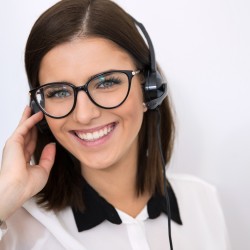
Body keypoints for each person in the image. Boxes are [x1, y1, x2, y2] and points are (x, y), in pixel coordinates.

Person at [0, 0, 230, 249]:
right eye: (59, 92)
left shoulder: (203, 202)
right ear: (39, 108)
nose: (84, 115)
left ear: (150, 90)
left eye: (107, 82)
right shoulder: (15, 225)